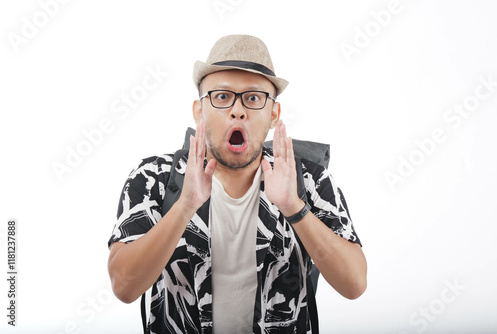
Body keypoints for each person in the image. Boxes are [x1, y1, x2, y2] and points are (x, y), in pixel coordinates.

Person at [107, 34, 367, 334]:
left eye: (253, 97)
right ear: (199, 110)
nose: (238, 110)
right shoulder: (154, 177)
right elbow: (123, 287)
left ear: (274, 113)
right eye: (221, 96)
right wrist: (184, 207)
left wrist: (294, 208)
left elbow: (355, 284)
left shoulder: (308, 179)